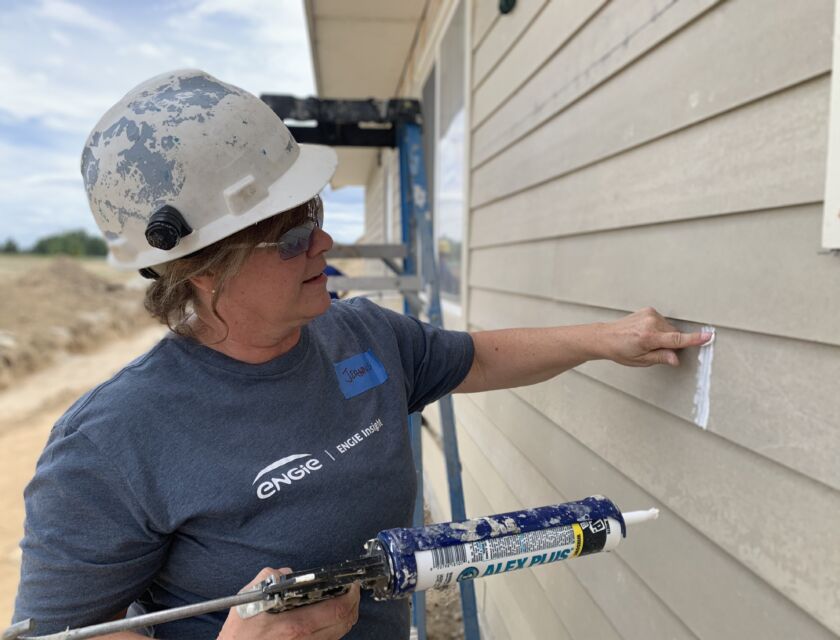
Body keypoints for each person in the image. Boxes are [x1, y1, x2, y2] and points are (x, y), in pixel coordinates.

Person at [12, 70, 712, 640]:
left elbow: (476, 358)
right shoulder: (111, 440)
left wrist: (606, 340)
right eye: (290, 239)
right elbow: (65, 634)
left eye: (313, 214)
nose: (325, 246)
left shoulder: (365, 336)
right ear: (202, 268)